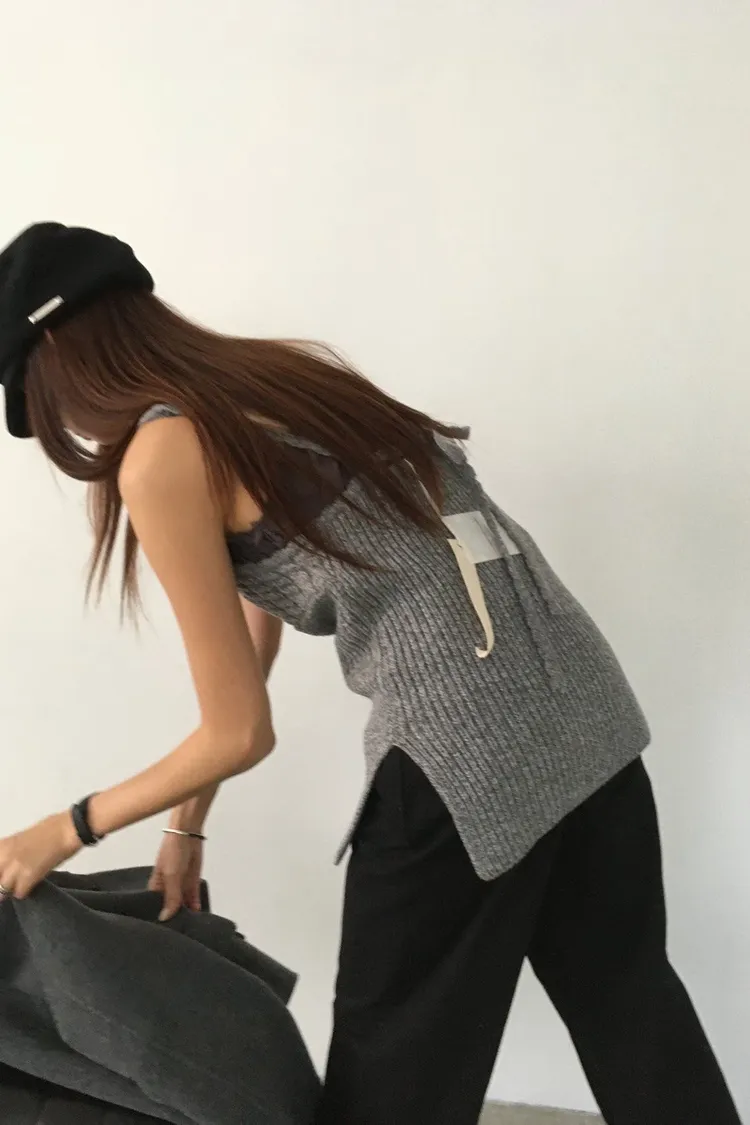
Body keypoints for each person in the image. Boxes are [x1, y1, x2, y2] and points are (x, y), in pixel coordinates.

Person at [0, 222, 740, 1125]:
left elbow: (238, 731)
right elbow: (265, 611)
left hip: (460, 763)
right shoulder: (280, 381)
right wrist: (188, 825)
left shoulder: (162, 455)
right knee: (634, 1014)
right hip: (585, 712)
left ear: (53, 356)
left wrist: (64, 829)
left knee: (390, 1090)